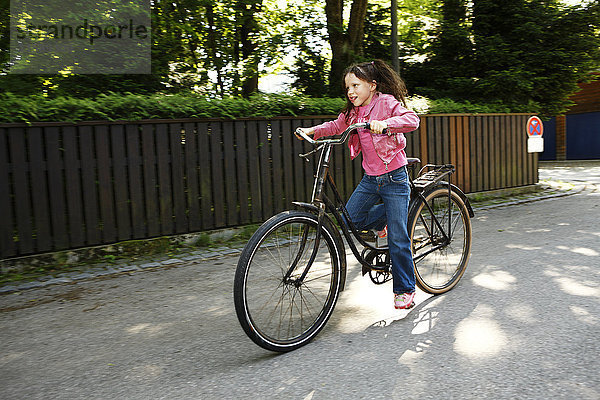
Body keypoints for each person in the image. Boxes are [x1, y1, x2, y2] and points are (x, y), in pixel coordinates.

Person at [295, 59, 420, 309]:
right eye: (347, 87)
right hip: (370, 179)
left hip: (394, 177)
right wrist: (313, 131)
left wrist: (385, 124)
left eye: (355, 85)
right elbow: (336, 126)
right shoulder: (353, 112)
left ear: (372, 86)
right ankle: (383, 224)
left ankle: (405, 288)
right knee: (351, 220)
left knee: (398, 237)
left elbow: (412, 119)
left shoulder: (385, 102)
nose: (351, 91)